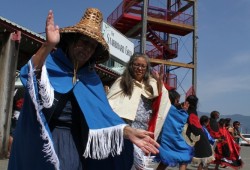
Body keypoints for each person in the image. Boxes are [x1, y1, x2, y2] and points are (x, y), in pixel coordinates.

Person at [8, 8, 159, 170]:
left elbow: (104, 116)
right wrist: (48, 45)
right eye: (84, 42)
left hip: (75, 144)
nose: (87, 49)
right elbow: (29, 74)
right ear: (72, 41)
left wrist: (128, 132)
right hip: (42, 139)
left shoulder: (91, 78)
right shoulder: (51, 64)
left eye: (93, 46)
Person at [107, 53, 171, 169]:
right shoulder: (121, 82)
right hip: (127, 130)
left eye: (143, 66)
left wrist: (159, 83)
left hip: (143, 130)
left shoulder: (151, 84)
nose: (139, 68)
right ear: (131, 65)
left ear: (146, 69)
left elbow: (159, 101)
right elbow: (110, 104)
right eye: (136, 65)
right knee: (122, 163)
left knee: (140, 165)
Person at [156, 89, 193, 170]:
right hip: (174, 139)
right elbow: (182, 121)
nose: (178, 102)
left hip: (165, 139)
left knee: (165, 160)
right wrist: (184, 111)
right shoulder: (172, 109)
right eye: (178, 100)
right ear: (174, 99)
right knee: (185, 155)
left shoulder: (164, 107)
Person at [183, 95, 214, 170]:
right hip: (194, 135)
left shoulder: (186, 110)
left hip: (188, 134)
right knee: (203, 155)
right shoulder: (191, 111)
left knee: (186, 158)